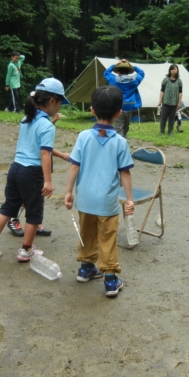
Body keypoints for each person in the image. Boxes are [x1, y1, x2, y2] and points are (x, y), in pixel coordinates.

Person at [0, 78, 70, 262]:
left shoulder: (26, 119)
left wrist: (61, 155)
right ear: (52, 101)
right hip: (32, 173)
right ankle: (26, 249)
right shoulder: (46, 126)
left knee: (8, 207)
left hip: (15, 169)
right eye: (61, 101)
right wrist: (48, 181)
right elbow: (44, 154)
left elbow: (38, 145)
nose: (61, 106)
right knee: (34, 212)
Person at [64, 85, 135, 297]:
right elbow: (125, 174)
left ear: (92, 110)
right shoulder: (120, 142)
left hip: (84, 200)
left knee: (86, 234)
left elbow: (74, 165)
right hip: (107, 203)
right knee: (107, 239)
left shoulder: (83, 136)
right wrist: (130, 199)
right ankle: (111, 280)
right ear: (118, 112)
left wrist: (68, 191)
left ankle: (86, 269)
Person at [6, 112, 70, 238]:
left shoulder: (39, 121)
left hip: (36, 169)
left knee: (36, 197)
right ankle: (14, 220)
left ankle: (34, 224)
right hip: (31, 168)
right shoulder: (29, 120)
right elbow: (42, 148)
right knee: (26, 198)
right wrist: (62, 155)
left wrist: (53, 121)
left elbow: (42, 139)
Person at [104, 59, 145, 138]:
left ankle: (120, 143)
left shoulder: (114, 80)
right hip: (130, 107)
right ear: (128, 72)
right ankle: (124, 139)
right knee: (126, 126)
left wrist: (115, 64)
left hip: (119, 107)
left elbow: (106, 73)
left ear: (118, 72)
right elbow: (142, 73)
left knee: (118, 126)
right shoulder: (134, 81)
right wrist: (131, 65)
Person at [157, 64, 183, 136]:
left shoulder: (179, 81)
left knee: (172, 118)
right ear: (170, 70)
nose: (174, 71)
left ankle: (170, 132)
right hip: (165, 102)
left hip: (174, 103)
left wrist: (179, 102)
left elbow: (180, 93)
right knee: (164, 117)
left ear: (177, 70)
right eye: (172, 69)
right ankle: (162, 131)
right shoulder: (165, 79)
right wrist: (160, 101)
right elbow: (162, 91)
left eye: (175, 69)